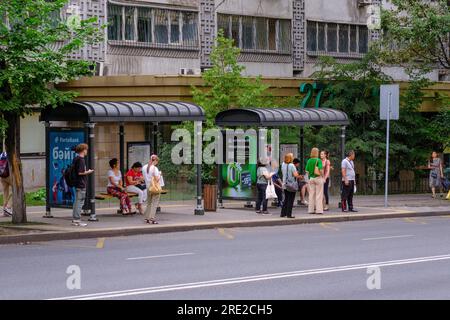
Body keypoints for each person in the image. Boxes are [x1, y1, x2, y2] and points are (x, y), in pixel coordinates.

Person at [71, 143, 95, 227]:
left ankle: (75, 219)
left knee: (77, 202)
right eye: (86, 149)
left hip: (77, 183)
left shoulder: (75, 158)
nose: (86, 151)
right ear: (83, 150)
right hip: (81, 183)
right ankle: (77, 220)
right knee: (80, 202)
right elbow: (80, 172)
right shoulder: (81, 159)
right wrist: (88, 172)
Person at [143, 155, 163, 224]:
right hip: (154, 188)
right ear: (156, 161)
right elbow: (157, 179)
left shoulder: (144, 167)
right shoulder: (155, 168)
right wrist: (160, 174)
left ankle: (146, 218)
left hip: (148, 188)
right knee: (154, 204)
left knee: (149, 203)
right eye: (157, 161)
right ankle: (152, 218)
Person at [281, 153, 301, 218]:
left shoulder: (283, 164)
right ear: (290, 158)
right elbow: (295, 175)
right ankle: (289, 214)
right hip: (291, 184)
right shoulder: (292, 165)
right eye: (292, 157)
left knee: (286, 199)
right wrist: (300, 176)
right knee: (291, 199)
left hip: (285, 184)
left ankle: (283, 213)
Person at [305, 148, 324, 214]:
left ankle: (311, 210)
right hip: (318, 178)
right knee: (319, 195)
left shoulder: (309, 160)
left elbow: (306, 171)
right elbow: (321, 169)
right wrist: (323, 176)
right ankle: (319, 210)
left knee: (311, 194)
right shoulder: (318, 160)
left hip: (311, 179)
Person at [0, 151, 12, 217]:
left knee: (5, 193)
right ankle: (8, 207)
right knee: (16, 190)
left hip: (2, 176)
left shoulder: (2, 154)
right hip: (10, 176)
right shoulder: (11, 153)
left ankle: (4, 210)